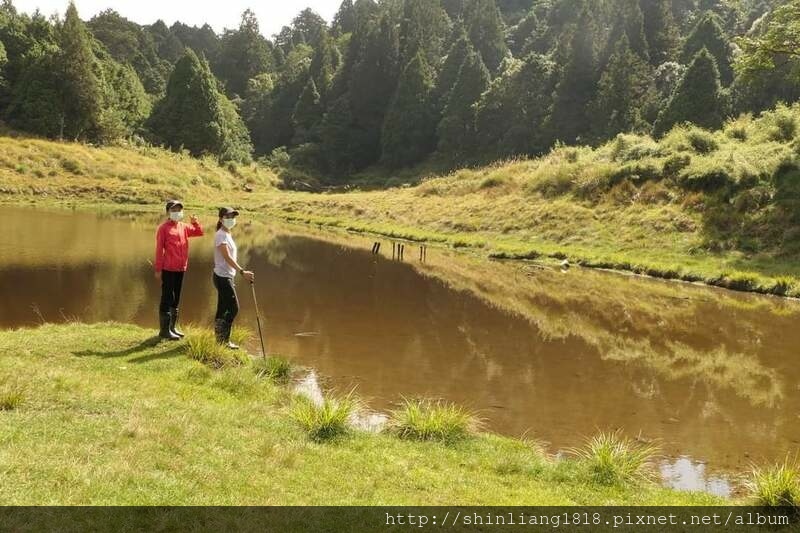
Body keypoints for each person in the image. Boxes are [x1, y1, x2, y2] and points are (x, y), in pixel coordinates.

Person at [154, 200, 204, 340]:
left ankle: (172, 328)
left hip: (181, 268)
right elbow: (159, 250)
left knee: (176, 299)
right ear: (168, 212)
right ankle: (164, 331)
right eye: (174, 210)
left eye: (179, 210)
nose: (177, 212)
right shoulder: (163, 228)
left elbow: (199, 232)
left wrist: (195, 222)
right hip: (168, 268)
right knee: (167, 298)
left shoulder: (183, 226)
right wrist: (158, 269)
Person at [213, 207, 254, 349]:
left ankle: (220, 341)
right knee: (233, 308)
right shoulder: (220, 235)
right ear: (221, 219)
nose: (230, 219)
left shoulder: (227, 234)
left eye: (232, 217)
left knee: (222, 308)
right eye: (227, 217)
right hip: (222, 277)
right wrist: (242, 272)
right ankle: (224, 341)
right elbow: (227, 257)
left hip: (226, 276)